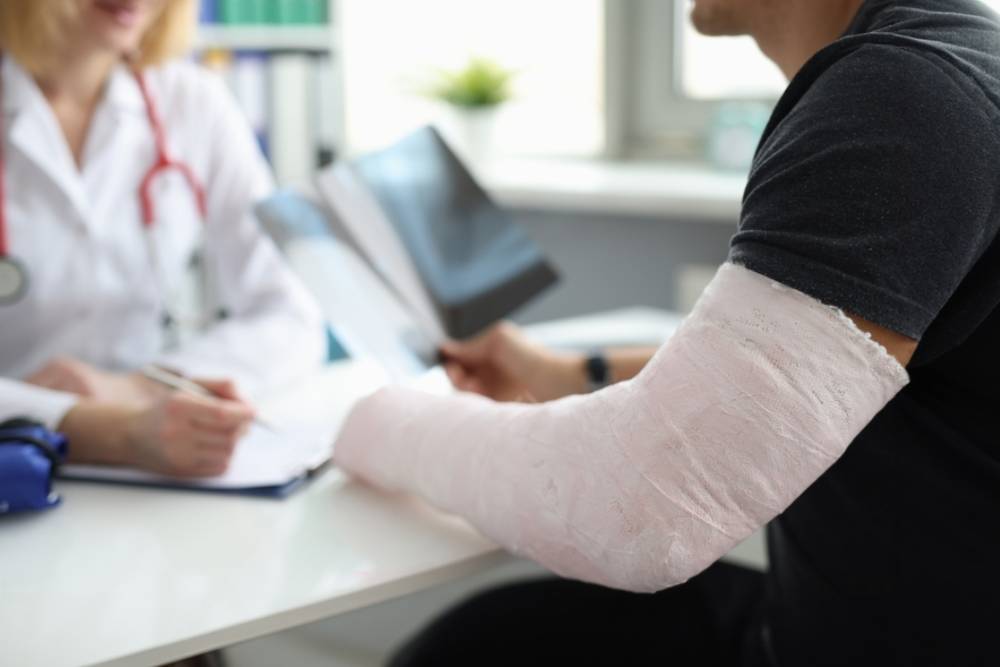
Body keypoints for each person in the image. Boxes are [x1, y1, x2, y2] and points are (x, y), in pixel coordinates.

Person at [333, 0, 1000, 665]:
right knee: (474, 640)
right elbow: (782, 378)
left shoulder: (907, 95)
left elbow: (632, 510)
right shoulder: (953, 65)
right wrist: (566, 373)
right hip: (830, 623)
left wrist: (375, 423)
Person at [0, 0, 326, 478]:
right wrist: (107, 429)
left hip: (155, 465)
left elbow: (290, 316)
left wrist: (140, 388)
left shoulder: (193, 102)